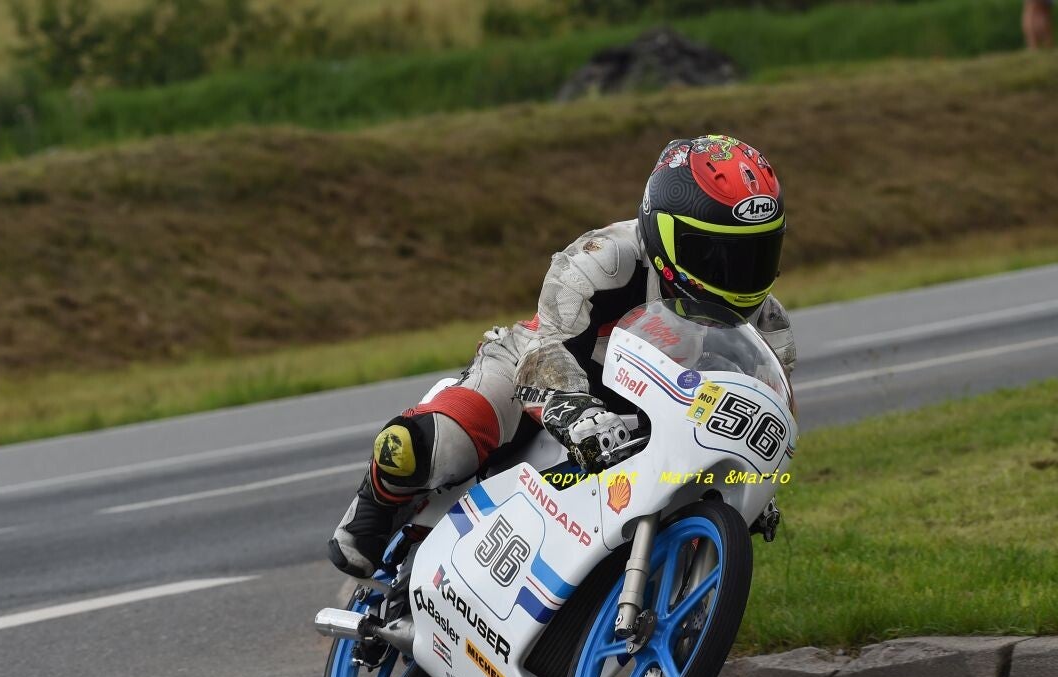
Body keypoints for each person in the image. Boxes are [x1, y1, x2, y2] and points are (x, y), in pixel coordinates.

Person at [329, 134, 797, 577]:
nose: (740, 277)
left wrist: (755, 483)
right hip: (534, 378)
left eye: (757, 254)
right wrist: (575, 411)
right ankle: (375, 503)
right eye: (718, 255)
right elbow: (546, 345)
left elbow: (763, 415)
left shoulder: (768, 327)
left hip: (646, 423)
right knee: (427, 444)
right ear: (664, 231)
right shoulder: (606, 257)